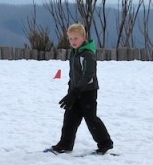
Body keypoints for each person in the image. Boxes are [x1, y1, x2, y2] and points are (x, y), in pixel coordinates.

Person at [48, 23, 114, 155]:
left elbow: (89, 75)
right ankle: (65, 143)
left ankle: (105, 142)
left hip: (88, 92)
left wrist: (75, 92)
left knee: (91, 118)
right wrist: (70, 89)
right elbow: (74, 74)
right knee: (70, 118)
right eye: (70, 38)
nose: (73, 41)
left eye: (76, 38)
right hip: (75, 91)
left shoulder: (87, 54)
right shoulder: (74, 53)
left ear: (83, 37)